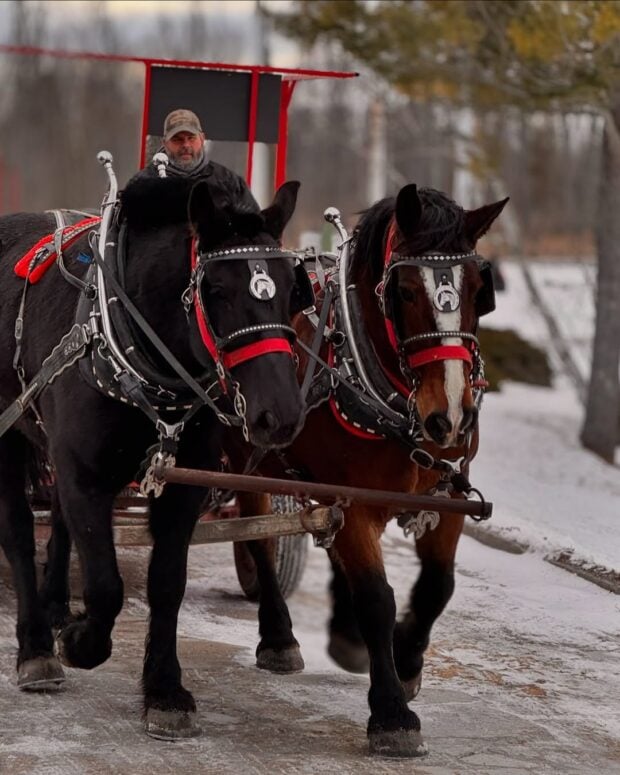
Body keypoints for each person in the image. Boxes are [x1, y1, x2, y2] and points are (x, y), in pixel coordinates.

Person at [128, 108, 259, 212]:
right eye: (177, 139)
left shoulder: (228, 182)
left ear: (202, 139)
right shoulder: (144, 183)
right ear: (165, 143)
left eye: (191, 138)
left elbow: (255, 230)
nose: (185, 145)